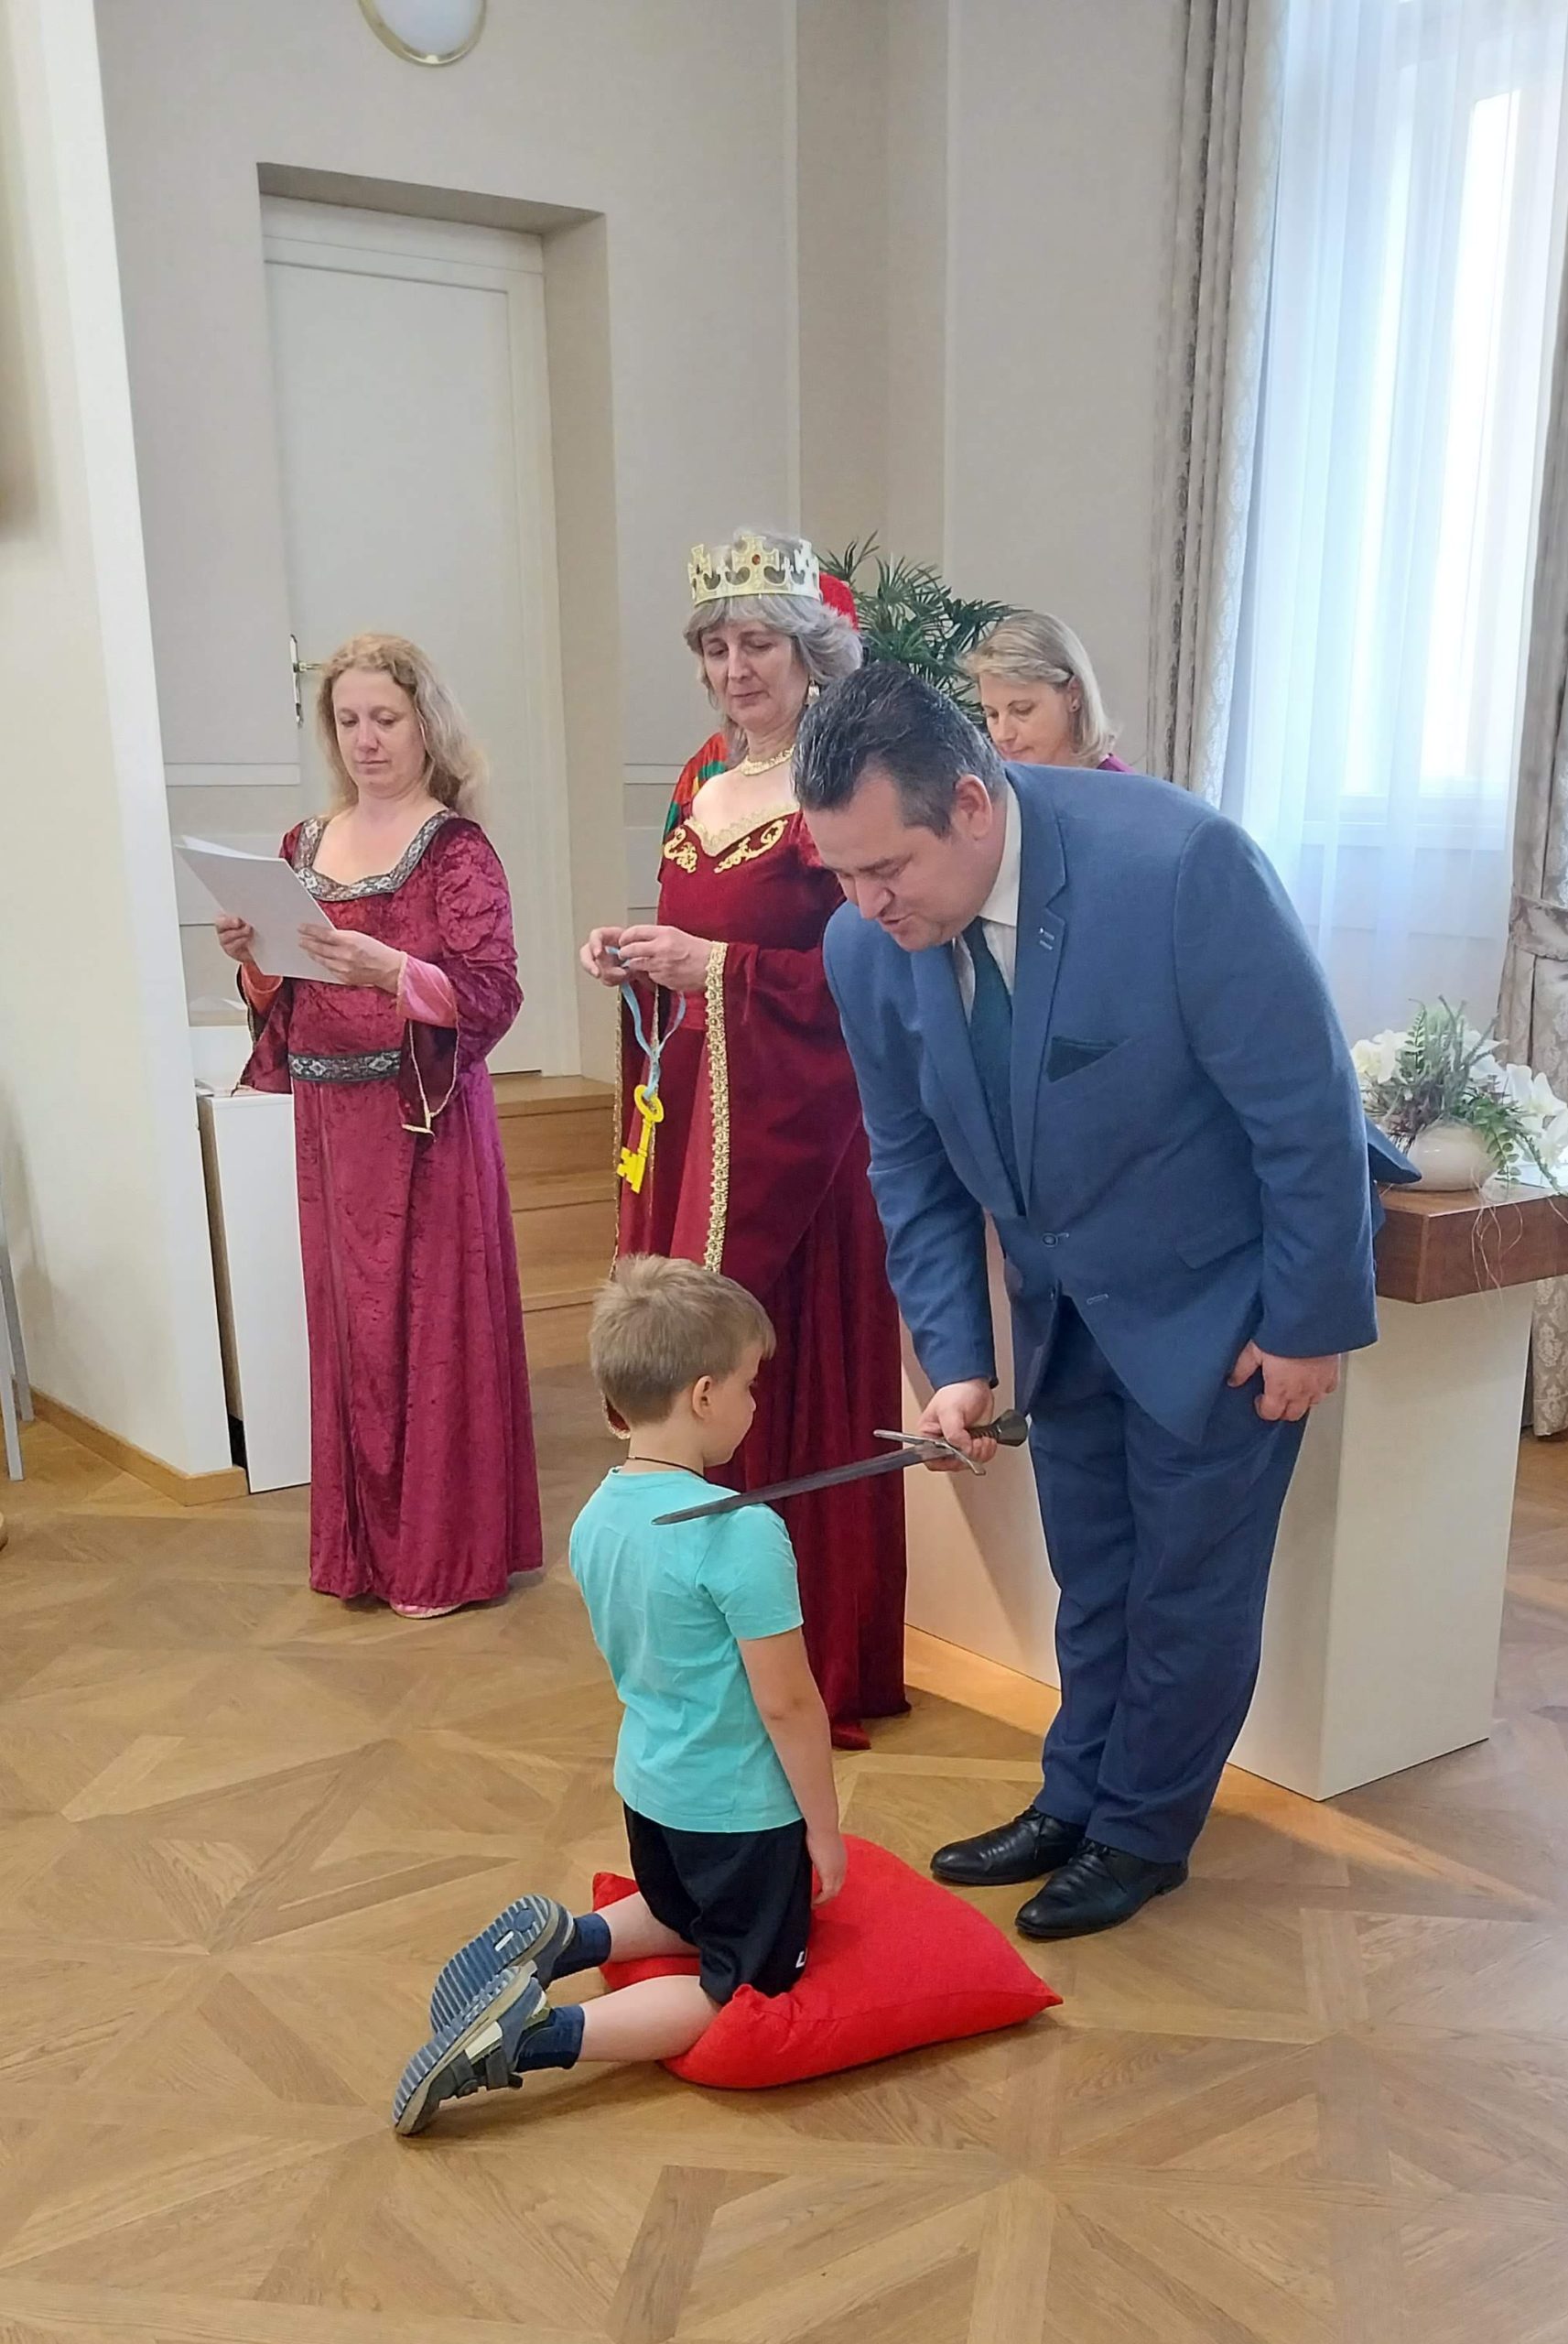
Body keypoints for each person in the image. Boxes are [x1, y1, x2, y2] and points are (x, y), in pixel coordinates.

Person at [794, 665, 1414, 1942]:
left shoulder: (1178, 868)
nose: (863, 905)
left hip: (1222, 1305)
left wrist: (1308, 1322)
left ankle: (1143, 1829)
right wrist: (957, 1361)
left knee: (1188, 1587)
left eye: (886, 868)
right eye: (838, 874)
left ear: (972, 806)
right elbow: (909, 1163)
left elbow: (1305, 1109)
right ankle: (1073, 1797)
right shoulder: (865, 945)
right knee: (1096, 1579)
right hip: (1063, 1312)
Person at [390, 1254, 843, 2134]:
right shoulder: (743, 1532)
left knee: (682, 1907)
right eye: (750, 1384)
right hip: (739, 1815)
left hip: (650, 1792)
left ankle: (571, 1938)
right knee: (740, 1982)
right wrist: (822, 1834)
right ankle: (529, 2038)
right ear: (705, 1395)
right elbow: (788, 1705)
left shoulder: (596, 1514)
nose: (755, 1403)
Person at [579, 530, 906, 1749]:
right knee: (696, 1365)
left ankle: (812, 1652)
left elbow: (874, 964)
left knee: (784, 1368)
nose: (734, 669)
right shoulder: (701, 777)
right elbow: (697, 933)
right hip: (703, 1121)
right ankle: (708, 1637)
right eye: (715, 647)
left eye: (757, 642)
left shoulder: (845, 778)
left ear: (809, 647)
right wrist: (636, 957)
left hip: (805, 1139)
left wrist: (715, 966)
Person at [220, 633, 541, 1617]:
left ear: (425, 725)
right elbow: (281, 995)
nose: (366, 739)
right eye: (349, 719)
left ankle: (438, 1559)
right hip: (328, 1126)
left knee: (426, 1334)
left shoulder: (455, 850)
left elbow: (493, 993)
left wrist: (394, 970)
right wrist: (254, 957)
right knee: (353, 1338)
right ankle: (364, 1553)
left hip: (422, 1125)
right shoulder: (300, 846)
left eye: (386, 719)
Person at [966, 610, 1130, 770]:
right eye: (992, 714)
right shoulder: (993, 783)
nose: (1003, 735)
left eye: (1022, 710)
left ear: (1073, 694)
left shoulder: (1119, 786)